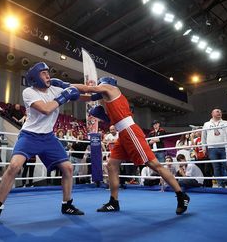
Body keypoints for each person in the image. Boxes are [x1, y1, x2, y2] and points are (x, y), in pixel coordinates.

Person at [52, 76, 190, 215]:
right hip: (122, 134)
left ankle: (181, 196)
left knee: (154, 165)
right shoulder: (110, 98)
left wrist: (66, 85)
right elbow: (85, 97)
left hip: (130, 132)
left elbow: (88, 88)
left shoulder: (111, 88)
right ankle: (114, 202)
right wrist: (67, 95)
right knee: (111, 165)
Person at [0, 62, 83, 223]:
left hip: (48, 137)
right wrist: (65, 95)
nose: (48, 75)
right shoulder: (29, 92)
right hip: (29, 136)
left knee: (68, 168)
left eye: (48, 72)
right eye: (44, 73)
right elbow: (45, 109)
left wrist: (99, 91)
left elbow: (78, 91)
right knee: (14, 166)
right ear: (36, 77)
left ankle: (67, 205)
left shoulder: (55, 89)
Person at [202, 108, 227, 188]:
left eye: (220, 111)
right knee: (216, 167)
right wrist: (204, 147)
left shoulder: (226, 122)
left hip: (224, 147)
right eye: (217, 111)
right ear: (212, 114)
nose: (219, 112)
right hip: (212, 148)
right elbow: (203, 136)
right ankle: (220, 185)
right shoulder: (206, 124)